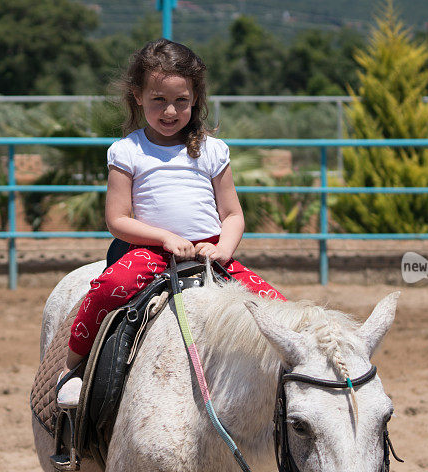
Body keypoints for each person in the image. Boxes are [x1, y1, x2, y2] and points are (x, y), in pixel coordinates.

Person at [57, 38, 285, 408]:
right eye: (158, 100)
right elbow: (117, 219)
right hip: (151, 252)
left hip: (211, 252)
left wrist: (223, 249)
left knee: (276, 308)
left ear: (195, 99)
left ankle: (288, 389)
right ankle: (74, 368)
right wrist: (165, 237)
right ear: (137, 96)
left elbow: (232, 214)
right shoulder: (128, 151)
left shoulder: (213, 150)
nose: (170, 111)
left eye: (181, 101)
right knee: (109, 285)